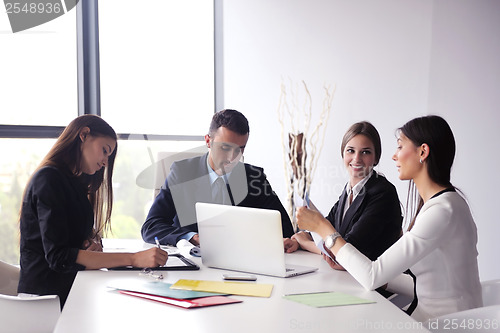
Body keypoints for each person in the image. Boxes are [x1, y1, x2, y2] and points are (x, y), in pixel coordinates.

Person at [297, 115, 482, 321]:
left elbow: (371, 275)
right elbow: (431, 282)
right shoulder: (443, 205)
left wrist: (323, 228)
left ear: (423, 152)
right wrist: (386, 281)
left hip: (442, 324)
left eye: (400, 147)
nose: (394, 156)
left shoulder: (442, 211)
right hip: (429, 316)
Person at [18, 115, 168, 307]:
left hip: (70, 291)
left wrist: (89, 245)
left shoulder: (73, 183)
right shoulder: (48, 179)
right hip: (44, 301)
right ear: (84, 135)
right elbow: (60, 257)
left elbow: (69, 242)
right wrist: (134, 259)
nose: (105, 162)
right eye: (104, 151)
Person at [142, 109, 294, 246]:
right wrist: (191, 237)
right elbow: (151, 227)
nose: (232, 158)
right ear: (208, 141)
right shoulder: (182, 173)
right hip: (195, 261)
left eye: (240, 149)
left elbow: (286, 229)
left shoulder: (254, 177)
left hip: (242, 261)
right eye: (225, 148)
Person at [284, 121, 402, 270]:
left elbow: (347, 252)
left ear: (376, 158)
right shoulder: (349, 190)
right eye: (350, 151)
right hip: (346, 279)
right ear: (343, 154)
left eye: (365, 152)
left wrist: (305, 243)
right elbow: (328, 227)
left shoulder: (383, 193)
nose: (356, 158)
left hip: (377, 287)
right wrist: (298, 240)